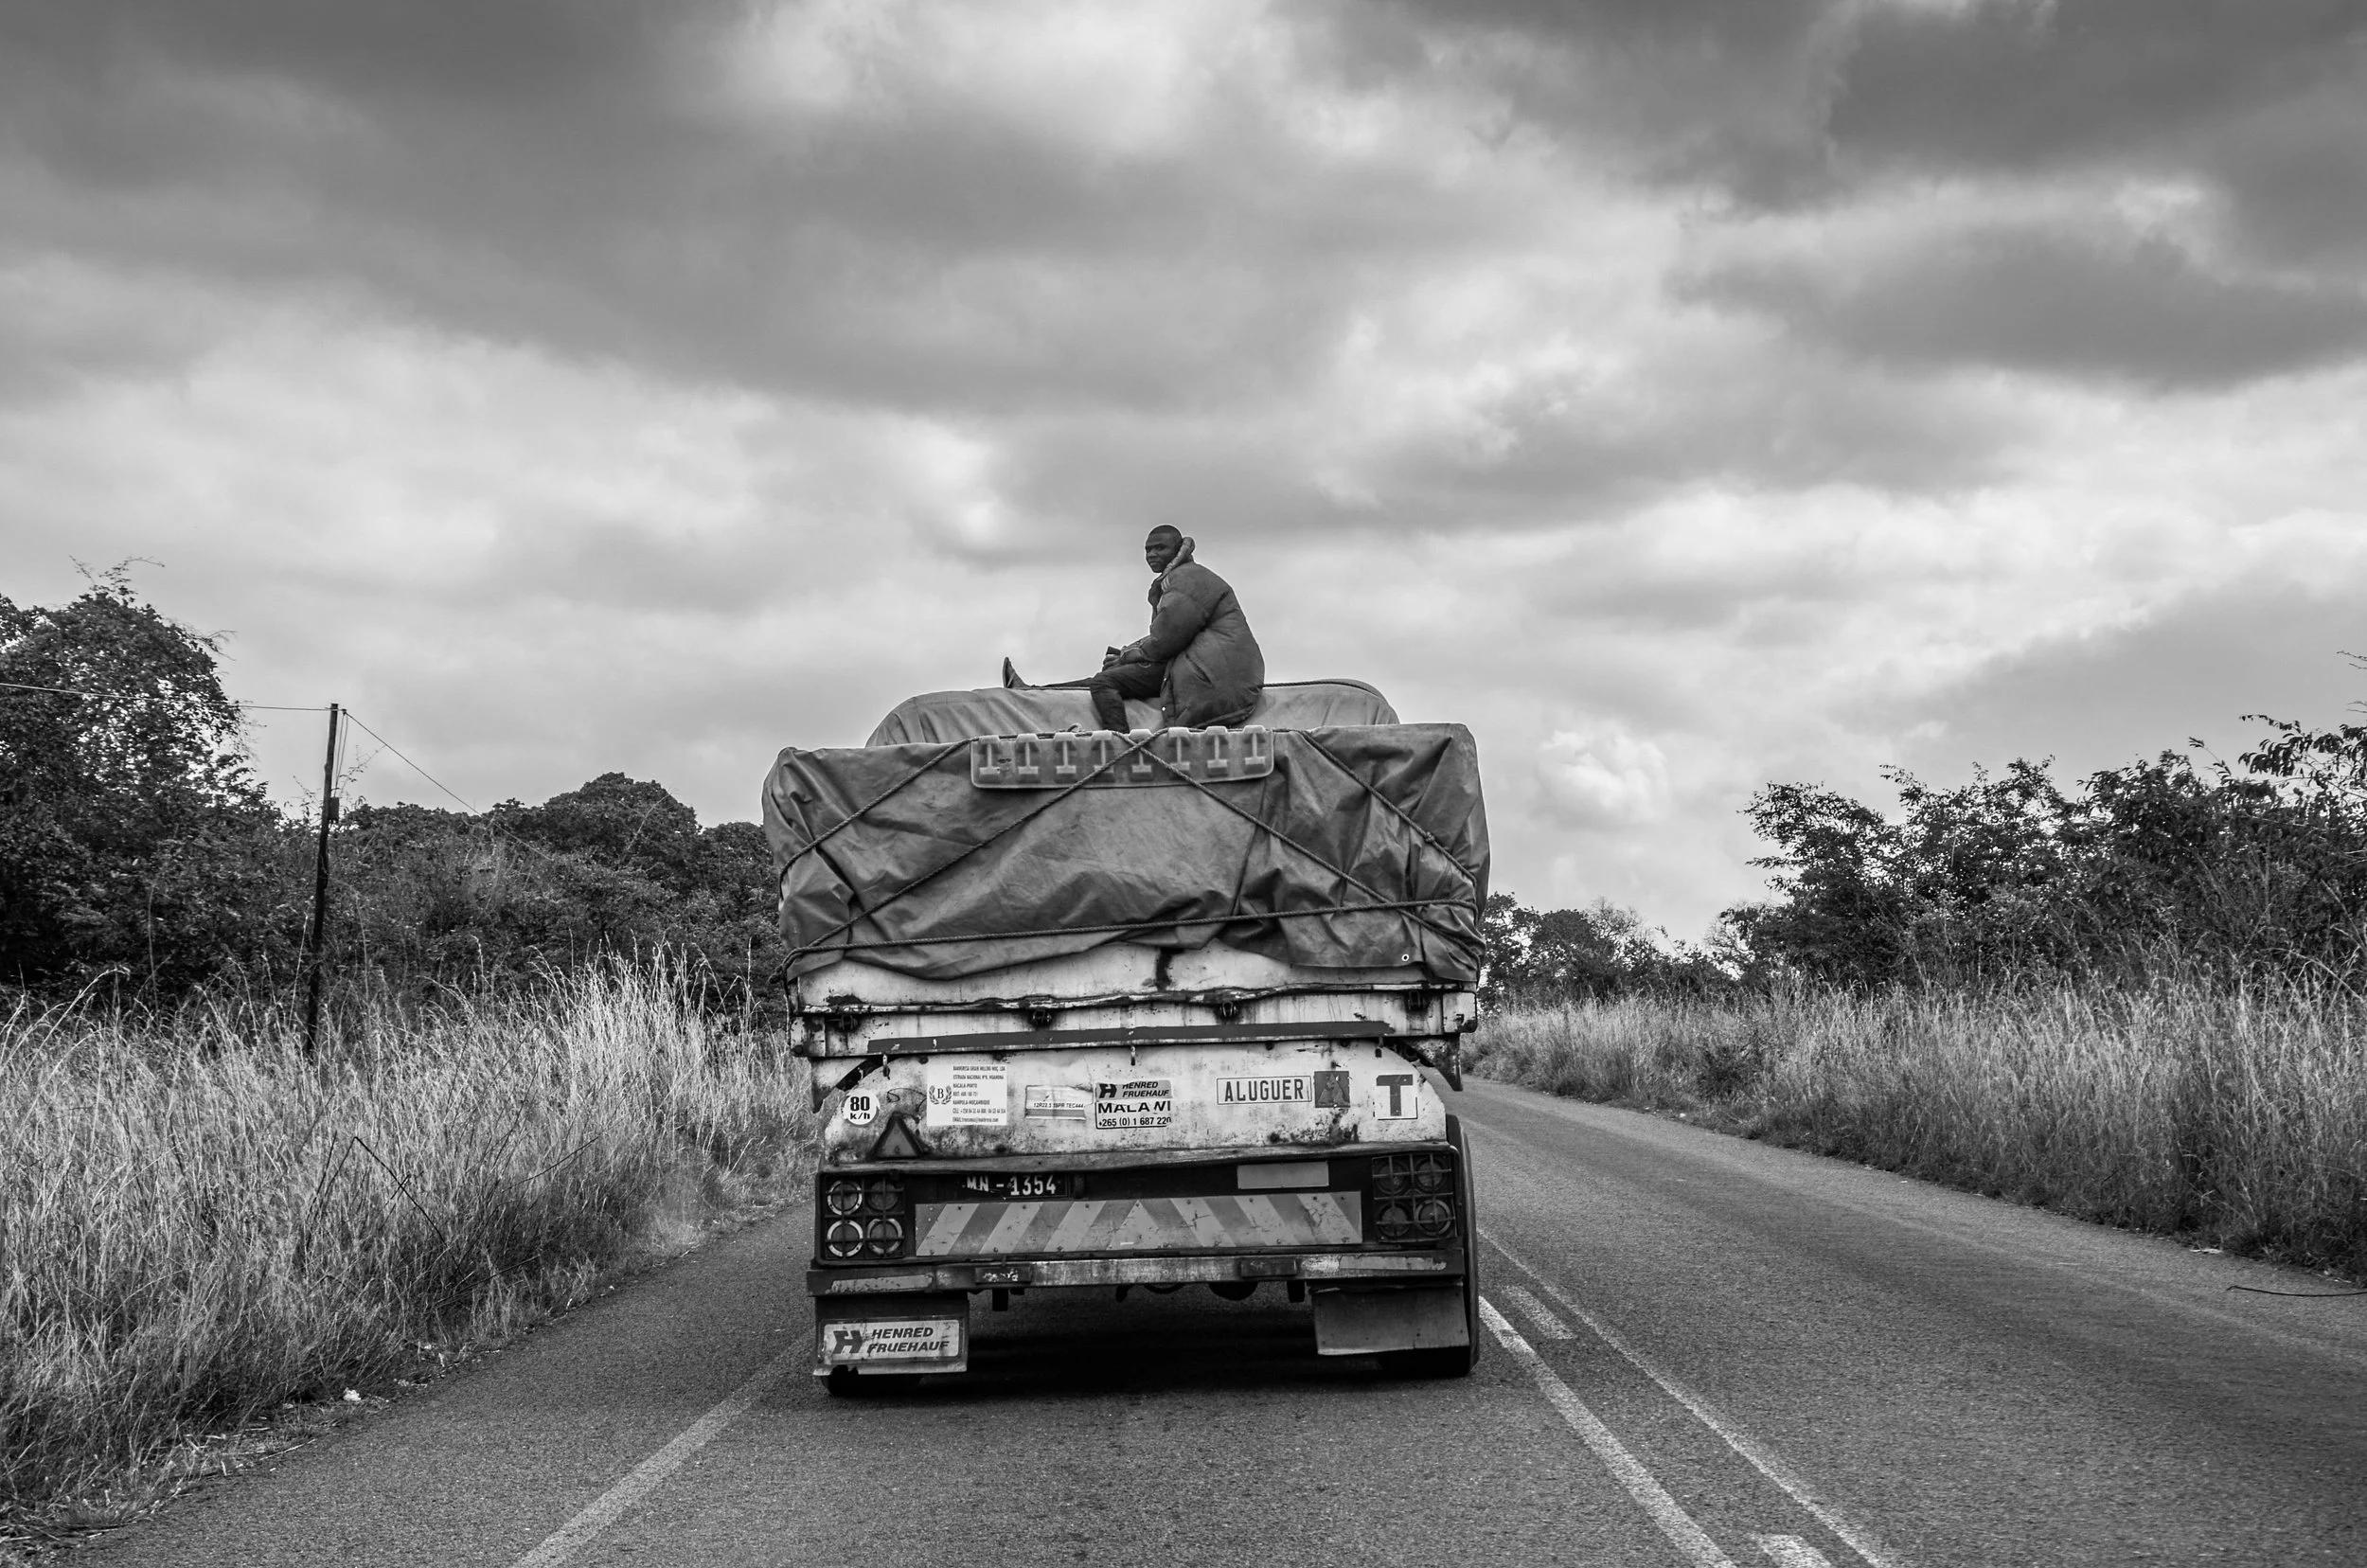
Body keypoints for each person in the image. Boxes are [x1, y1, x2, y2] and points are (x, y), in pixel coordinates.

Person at [1004, 526, 1264, 732]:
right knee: (1112, 675)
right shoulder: (1182, 578)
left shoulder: (1186, 579)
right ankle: (1033, 692)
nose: (1152, 555)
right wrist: (1129, 654)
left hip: (1210, 674)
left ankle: (1121, 742)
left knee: (1105, 682)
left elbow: (1165, 641)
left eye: (1160, 548)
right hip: (1198, 665)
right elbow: (1169, 635)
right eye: (1147, 550)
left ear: (1177, 549)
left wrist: (1130, 654)